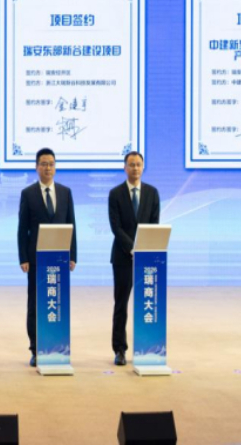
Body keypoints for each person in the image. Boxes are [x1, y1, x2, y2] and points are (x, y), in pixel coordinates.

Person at [17, 147, 77, 367]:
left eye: (51, 164)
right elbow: (22, 229)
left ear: (55, 167)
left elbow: (71, 224)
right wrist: (23, 257)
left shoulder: (65, 192)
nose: (47, 168)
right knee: (35, 304)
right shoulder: (28, 193)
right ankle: (36, 349)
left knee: (57, 302)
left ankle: (57, 346)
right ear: (36, 167)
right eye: (43, 164)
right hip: (36, 259)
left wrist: (72, 254)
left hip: (60, 259)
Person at [108, 151, 160, 366]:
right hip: (122, 257)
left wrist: (143, 249)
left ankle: (147, 348)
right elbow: (116, 227)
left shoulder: (152, 193)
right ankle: (120, 350)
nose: (135, 168)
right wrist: (133, 248)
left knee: (147, 304)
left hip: (147, 258)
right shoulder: (115, 193)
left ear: (143, 167)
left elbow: (154, 224)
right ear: (125, 168)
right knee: (121, 305)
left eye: (138, 164)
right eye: (131, 164)